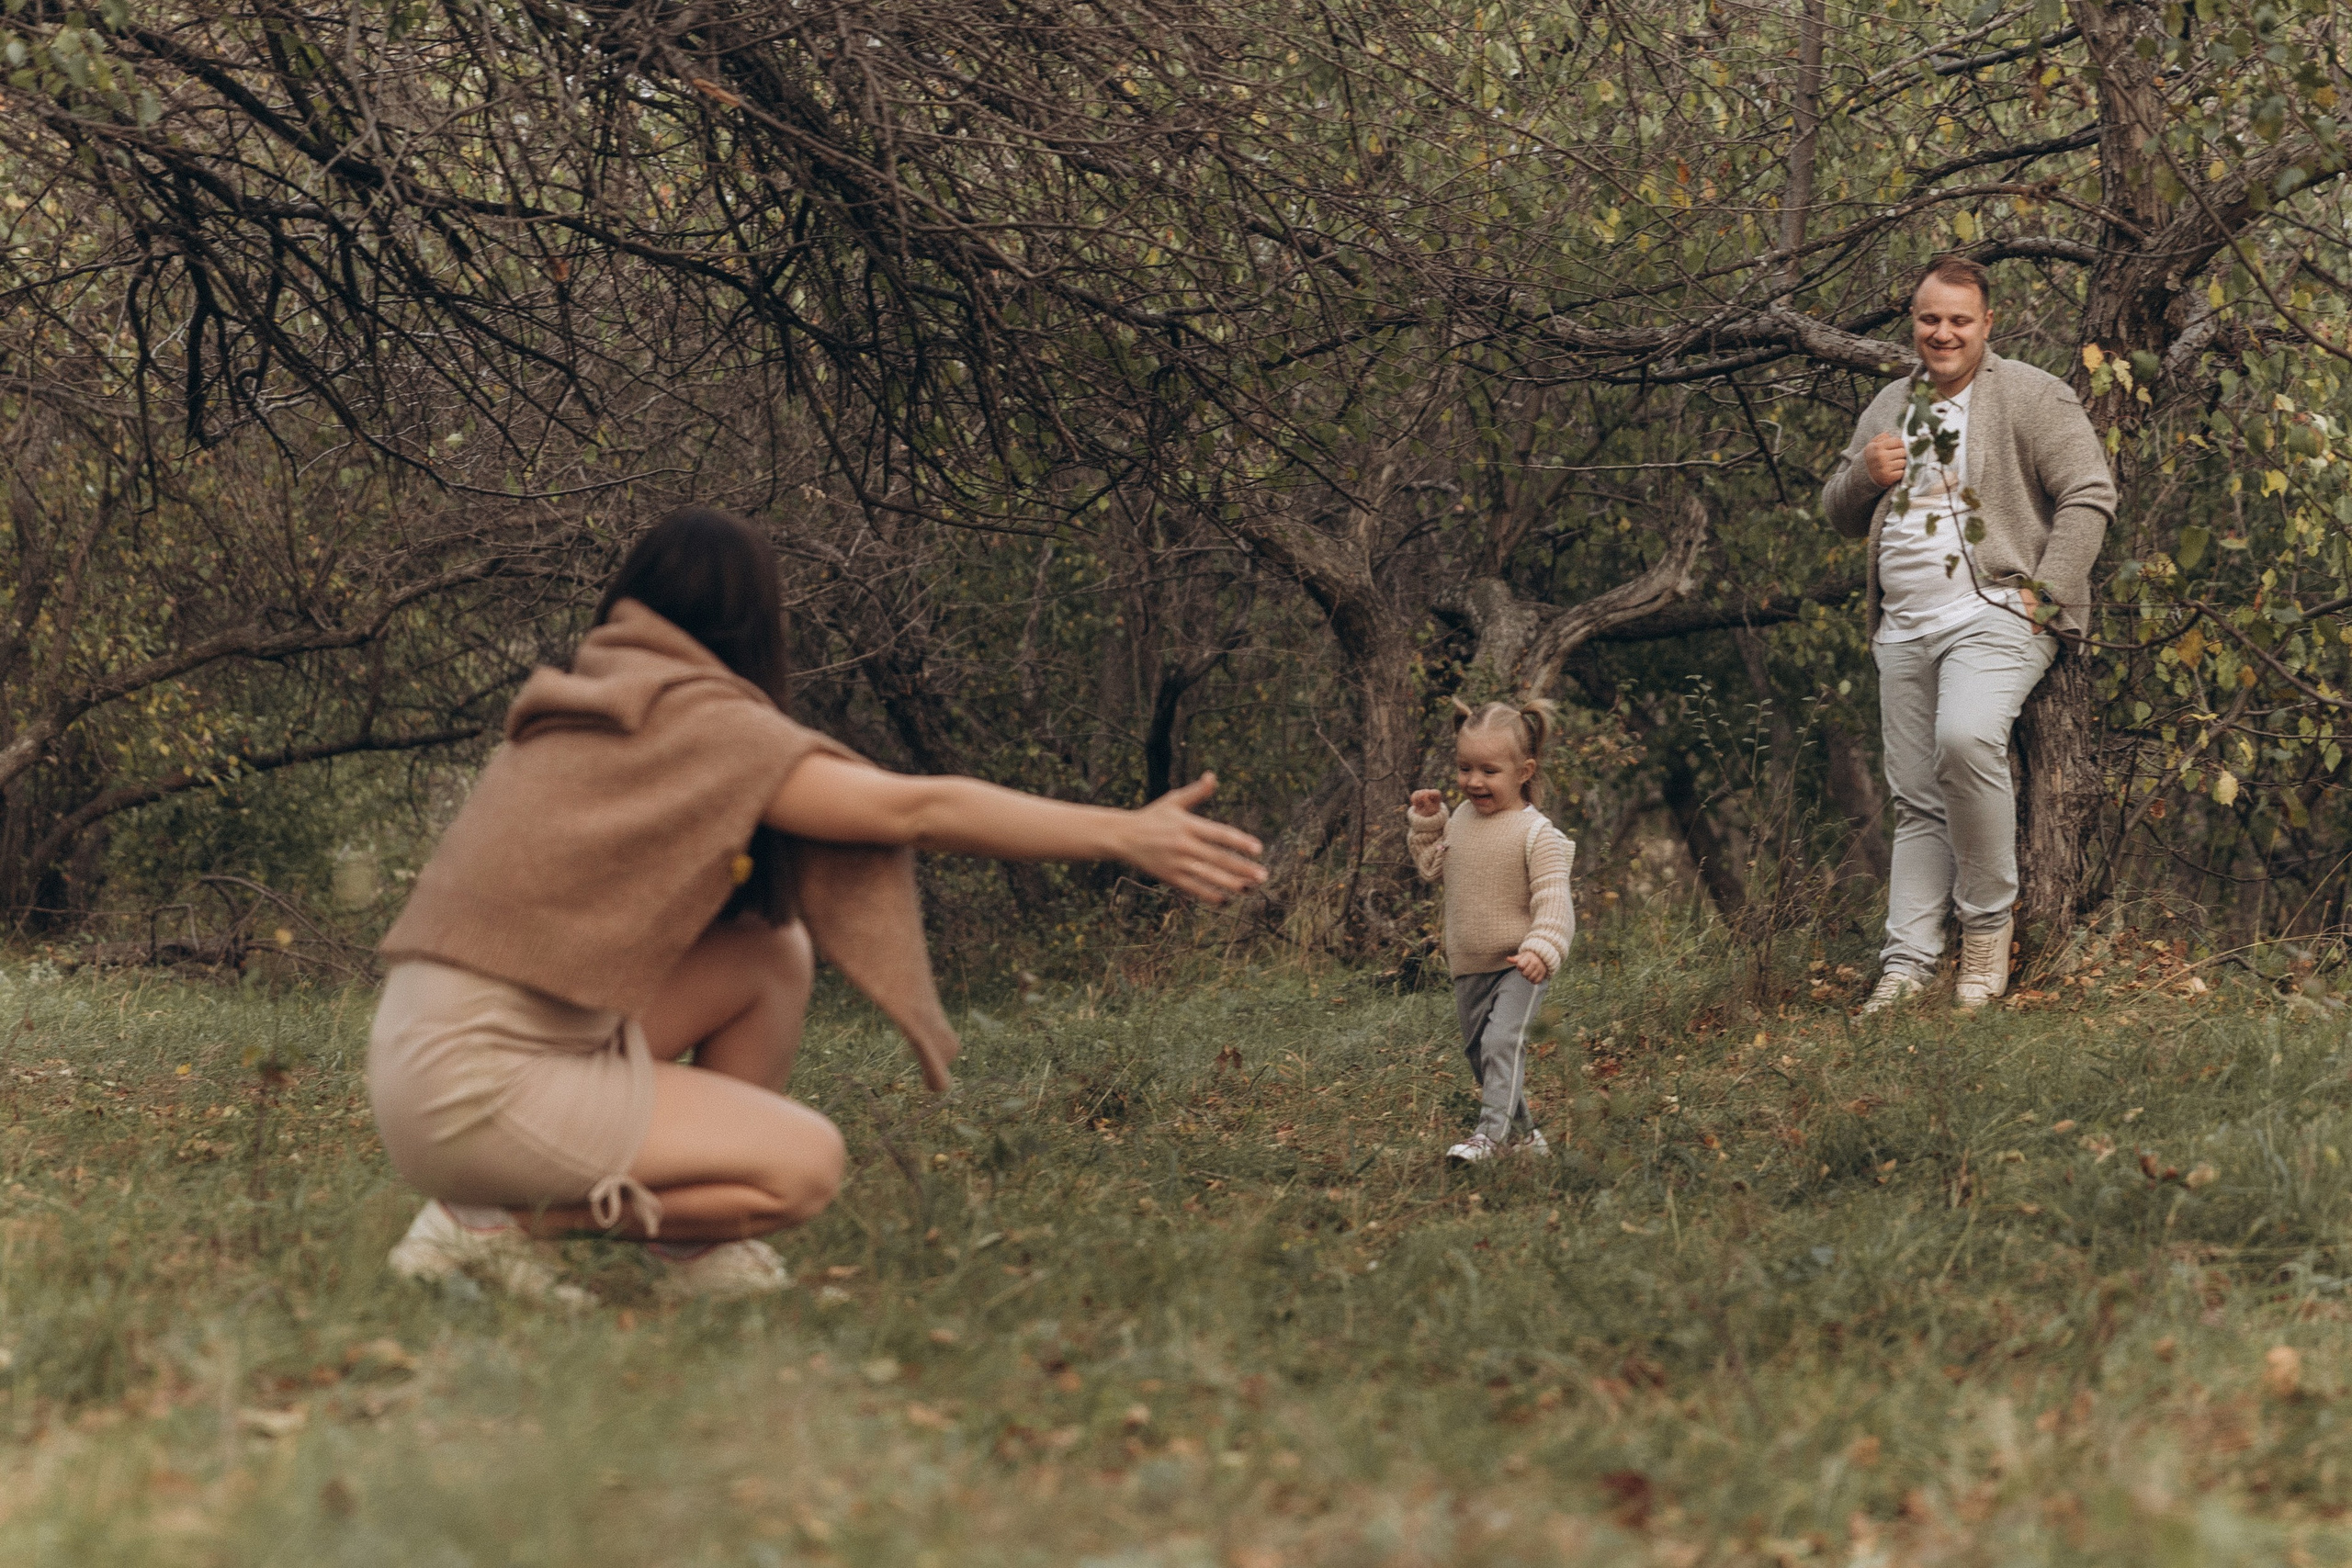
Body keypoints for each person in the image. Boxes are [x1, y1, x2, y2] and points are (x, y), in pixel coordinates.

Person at [367, 507, 1266, 1304]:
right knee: (801, 1169)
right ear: (755, 624)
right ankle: (493, 1228)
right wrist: (1123, 833)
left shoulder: (588, 706)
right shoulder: (698, 723)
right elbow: (913, 807)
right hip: (478, 1094)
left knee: (768, 950)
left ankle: (683, 1240)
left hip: (428, 1068)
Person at [1821, 254, 2116, 1013]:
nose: (1943, 332)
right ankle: (1907, 963)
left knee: (1964, 740)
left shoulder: (2029, 393)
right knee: (1917, 799)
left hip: (1995, 611)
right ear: (1912, 322)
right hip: (1903, 626)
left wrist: (2047, 597)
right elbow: (1839, 510)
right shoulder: (1890, 402)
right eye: (1929, 318)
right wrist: (1865, 476)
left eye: (1959, 319)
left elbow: (2089, 493)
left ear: (1988, 323)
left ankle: (1987, 936)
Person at [1406, 699, 1576, 1164]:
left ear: (1524, 771)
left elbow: (1555, 900)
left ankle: (1489, 1138)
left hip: (1519, 964)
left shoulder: (1535, 833)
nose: (1473, 782)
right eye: (1464, 768)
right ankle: (1525, 1136)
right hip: (1469, 966)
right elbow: (1432, 868)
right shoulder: (1459, 819)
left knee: (1502, 1043)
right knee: (1481, 1054)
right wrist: (1427, 823)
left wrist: (1542, 950)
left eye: (1489, 771)